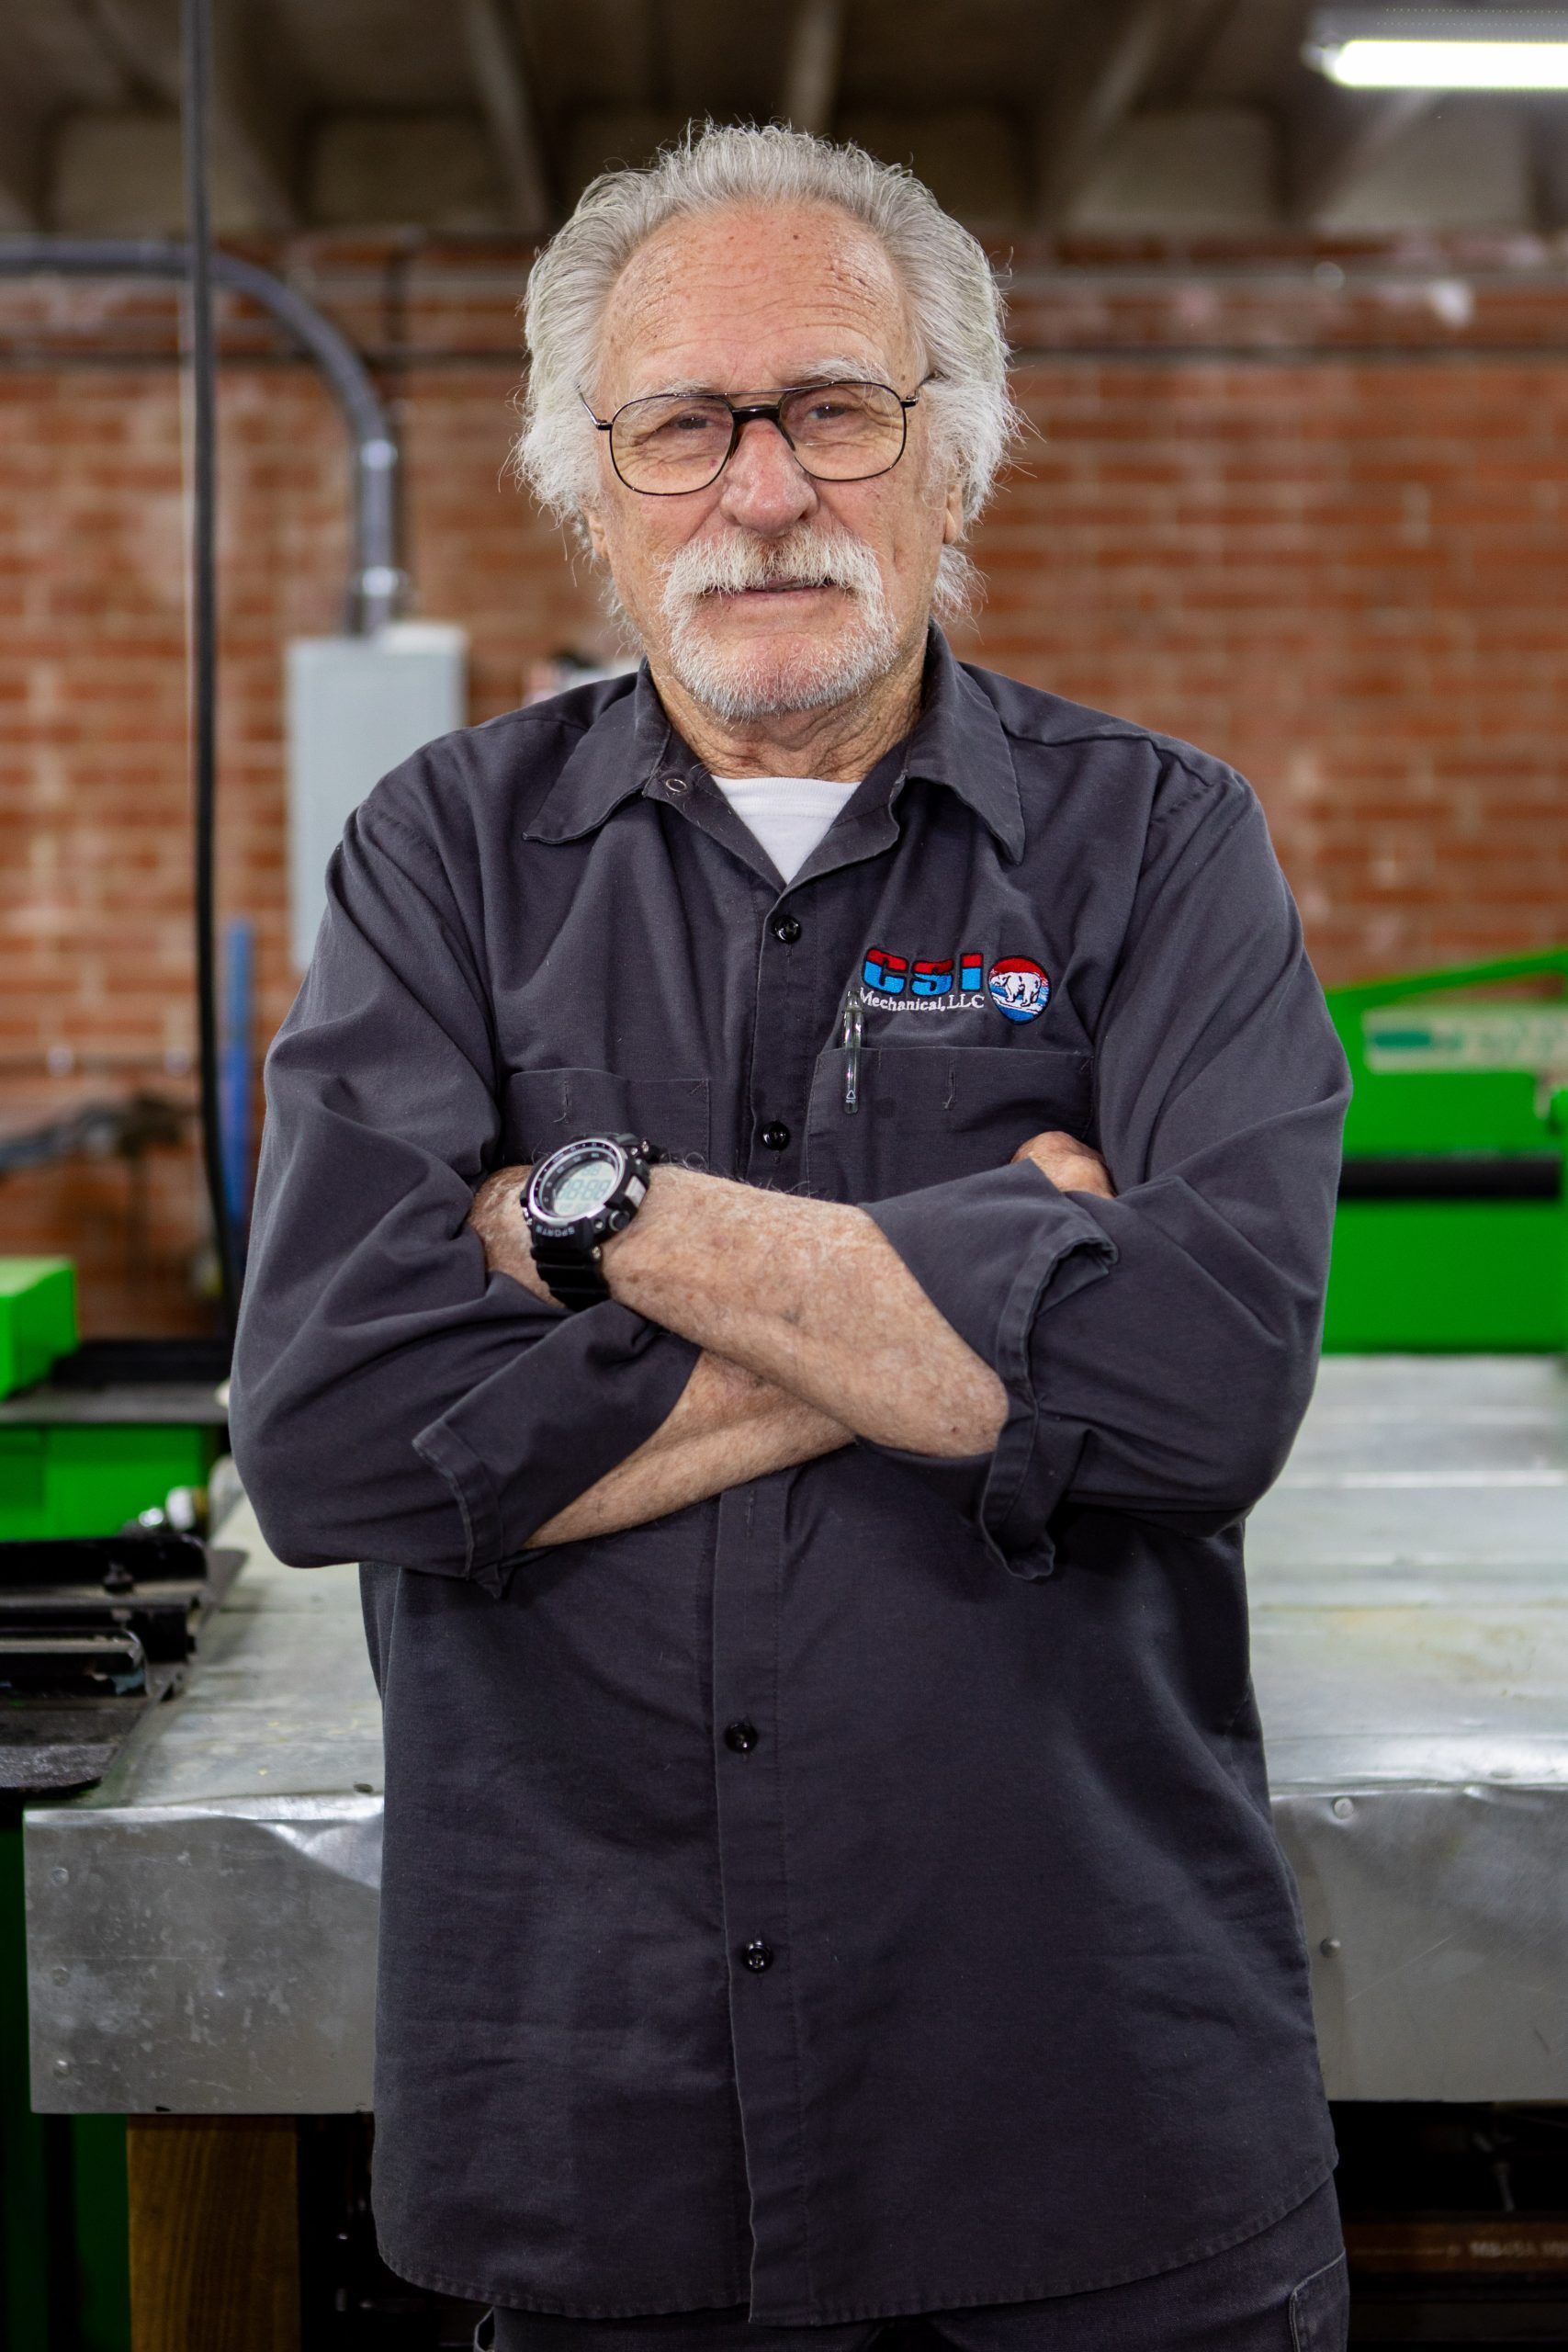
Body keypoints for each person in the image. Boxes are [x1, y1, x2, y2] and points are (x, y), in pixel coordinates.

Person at [231, 122, 1352, 2352]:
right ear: (590, 480)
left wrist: (602, 1216)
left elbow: (1202, 1389)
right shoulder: (443, 860)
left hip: (1086, 2115)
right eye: (682, 425)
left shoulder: (1155, 848)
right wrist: (968, 1280)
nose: (763, 490)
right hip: (594, 2131)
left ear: (956, 453)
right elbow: (339, 1441)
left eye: (834, 406)